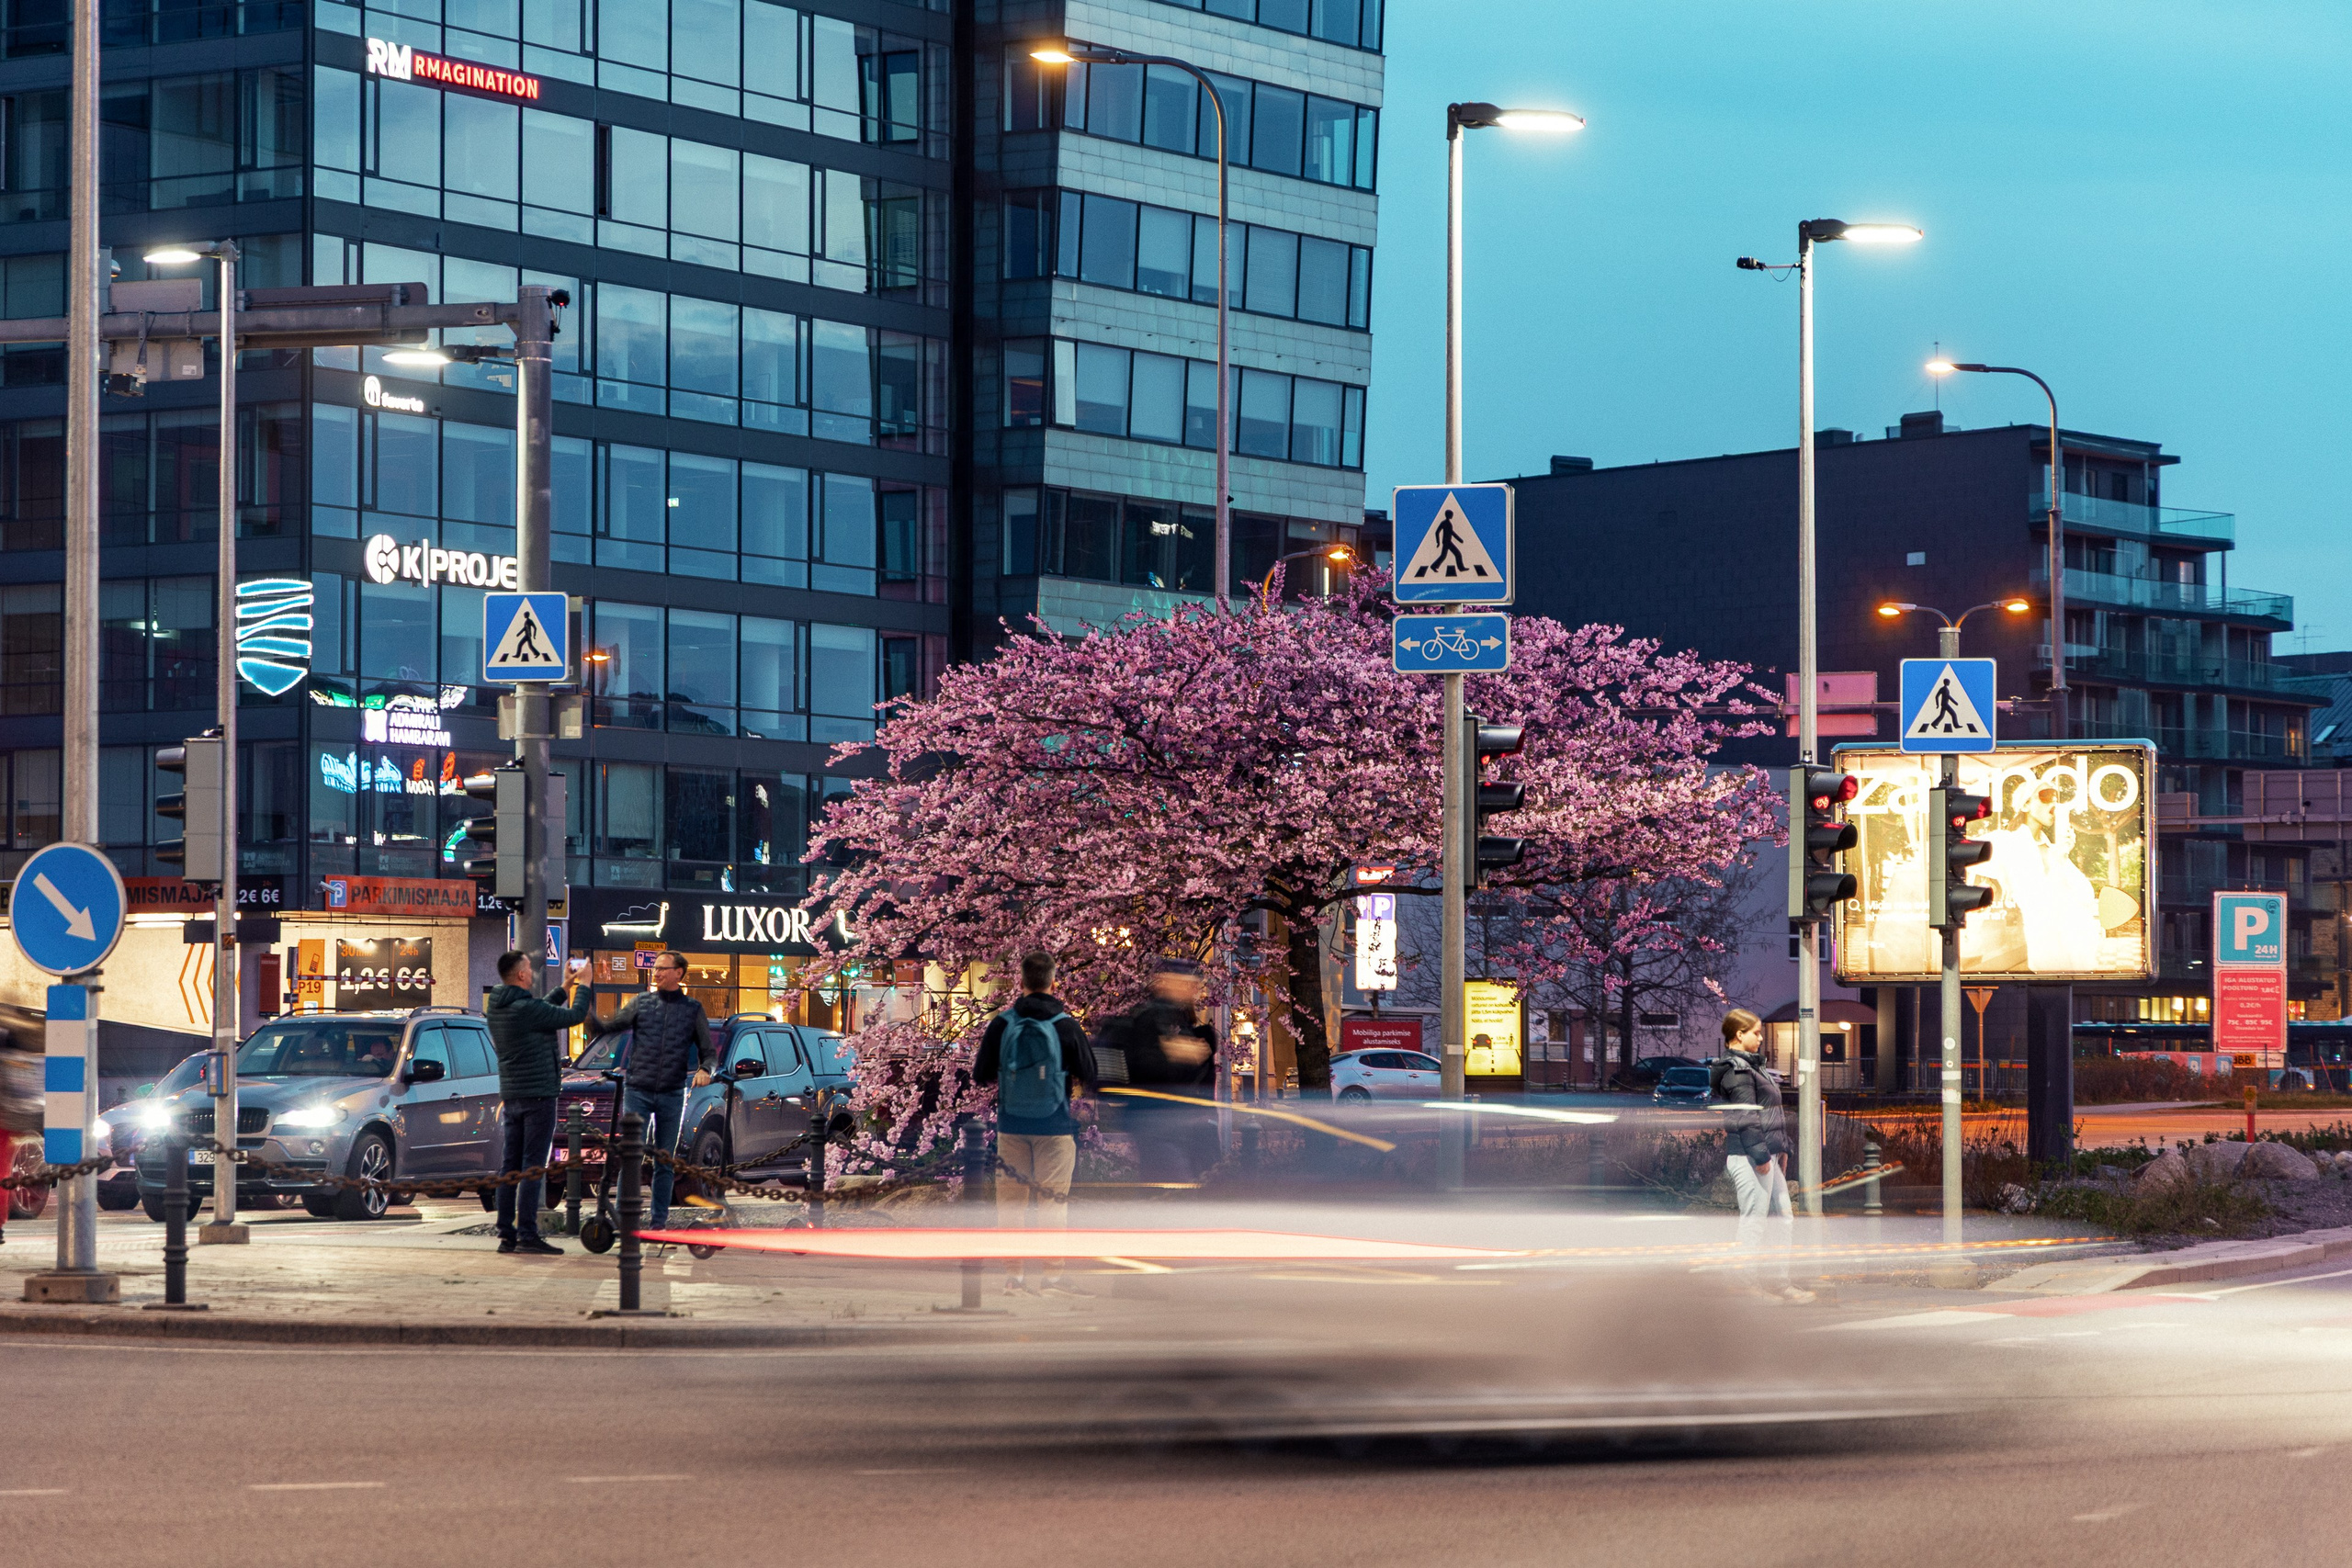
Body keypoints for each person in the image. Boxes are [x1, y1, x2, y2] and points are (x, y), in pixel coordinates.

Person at [974, 952, 1097, 1298]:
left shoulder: (1003, 1023)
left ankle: (1014, 1277)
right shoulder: (1066, 1025)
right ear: (1053, 981)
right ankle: (1053, 1277)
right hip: (1055, 1127)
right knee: (1052, 1203)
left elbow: (980, 1074)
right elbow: (1090, 1073)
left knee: (1011, 1205)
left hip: (1011, 1126)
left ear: (1022, 981)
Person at [484, 949, 594, 1256]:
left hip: (513, 1095)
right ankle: (528, 1234)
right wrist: (584, 985)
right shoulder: (526, 1009)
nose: (532, 973)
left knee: (510, 1166)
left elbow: (537, 1009)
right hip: (539, 1096)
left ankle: (506, 1234)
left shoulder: (499, 1006)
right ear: (520, 975)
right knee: (532, 1167)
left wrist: (565, 986)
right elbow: (574, 1017)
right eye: (529, 968)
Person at [597, 951, 714, 1230]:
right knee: (632, 1155)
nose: (656, 973)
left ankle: (658, 1222)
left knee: (664, 1160)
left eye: (663, 968)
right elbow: (611, 1026)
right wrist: (586, 1012)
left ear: (679, 973)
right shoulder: (641, 1002)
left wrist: (705, 1070)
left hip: (672, 1093)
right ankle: (627, 1219)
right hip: (638, 1088)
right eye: (655, 968)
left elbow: (709, 1052)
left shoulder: (692, 1009)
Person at [1710, 1008, 1814, 1303]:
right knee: (1754, 1221)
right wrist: (1760, 1155)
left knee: (1783, 1219)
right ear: (1739, 1035)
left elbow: (1769, 1114)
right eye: (1756, 1032)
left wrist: (1781, 1148)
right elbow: (1746, 1117)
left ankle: (1779, 1282)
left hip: (1764, 1154)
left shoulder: (1752, 1067)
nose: (1761, 1037)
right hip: (1749, 1156)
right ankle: (1745, 1287)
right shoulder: (1737, 1070)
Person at [1115, 959, 1219, 1184]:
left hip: (1169, 1119)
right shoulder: (1154, 1017)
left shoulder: (1175, 1017)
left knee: (1166, 1186)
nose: (1193, 989)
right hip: (1160, 1119)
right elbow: (1144, 1065)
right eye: (1187, 982)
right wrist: (1177, 1054)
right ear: (1168, 982)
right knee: (1172, 1188)